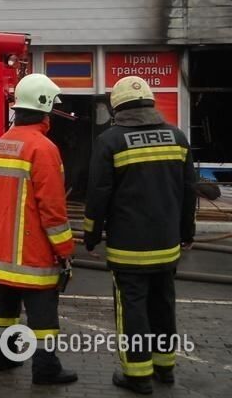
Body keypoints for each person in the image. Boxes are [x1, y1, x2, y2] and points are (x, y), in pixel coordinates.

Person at [85, 76, 196, 395]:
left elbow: (98, 194)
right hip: (167, 247)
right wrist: (186, 232)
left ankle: (137, 375)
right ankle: (165, 368)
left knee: (132, 307)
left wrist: (91, 235)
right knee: (163, 304)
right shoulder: (177, 137)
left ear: (117, 107)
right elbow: (189, 191)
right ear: (150, 103)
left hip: (128, 249)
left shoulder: (110, 141)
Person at [0, 73, 77, 385]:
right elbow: (52, 210)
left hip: (1, 252)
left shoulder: (2, 144)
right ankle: (46, 370)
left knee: (3, 310)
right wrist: (65, 250)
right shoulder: (43, 149)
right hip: (32, 253)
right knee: (43, 317)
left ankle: (2, 359)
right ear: (44, 107)